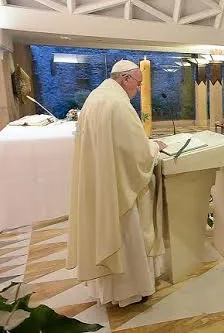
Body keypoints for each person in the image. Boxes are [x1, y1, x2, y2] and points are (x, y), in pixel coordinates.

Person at [67, 60, 167, 307]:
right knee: (126, 234)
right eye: (138, 84)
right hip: (117, 186)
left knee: (105, 228)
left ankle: (107, 290)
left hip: (101, 181)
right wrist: (154, 146)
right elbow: (136, 154)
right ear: (125, 79)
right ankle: (130, 290)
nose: (138, 90)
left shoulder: (96, 96)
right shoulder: (117, 104)